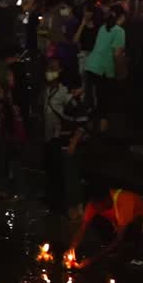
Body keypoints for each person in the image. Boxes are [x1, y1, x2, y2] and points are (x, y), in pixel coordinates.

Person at [68, 185, 143, 264]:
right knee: (96, 222)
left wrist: (92, 259)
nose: (95, 209)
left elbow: (119, 239)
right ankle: (113, 250)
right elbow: (82, 229)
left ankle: (137, 257)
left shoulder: (125, 201)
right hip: (120, 225)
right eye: (93, 205)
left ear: (106, 201)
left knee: (131, 242)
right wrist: (71, 249)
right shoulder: (94, 204)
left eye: (97, 207)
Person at [44, 60, 88, 216]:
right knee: (65, 175)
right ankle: (68, 208)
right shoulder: (49, 92)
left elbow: (82, 123)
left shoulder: (71, 100)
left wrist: (73, 142)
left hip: (68, 143)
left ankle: (74, 209)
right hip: (60, 141)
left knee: (71, 176)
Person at [83, 5, 127, 136]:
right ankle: (101, 133)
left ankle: (87, 129)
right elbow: (117, 54)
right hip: (104, 69)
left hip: (91, 65)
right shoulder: (119, 31)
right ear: (122, 17)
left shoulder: (103, 27)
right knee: (104, 102)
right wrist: (120, 72)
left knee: (92, 99)